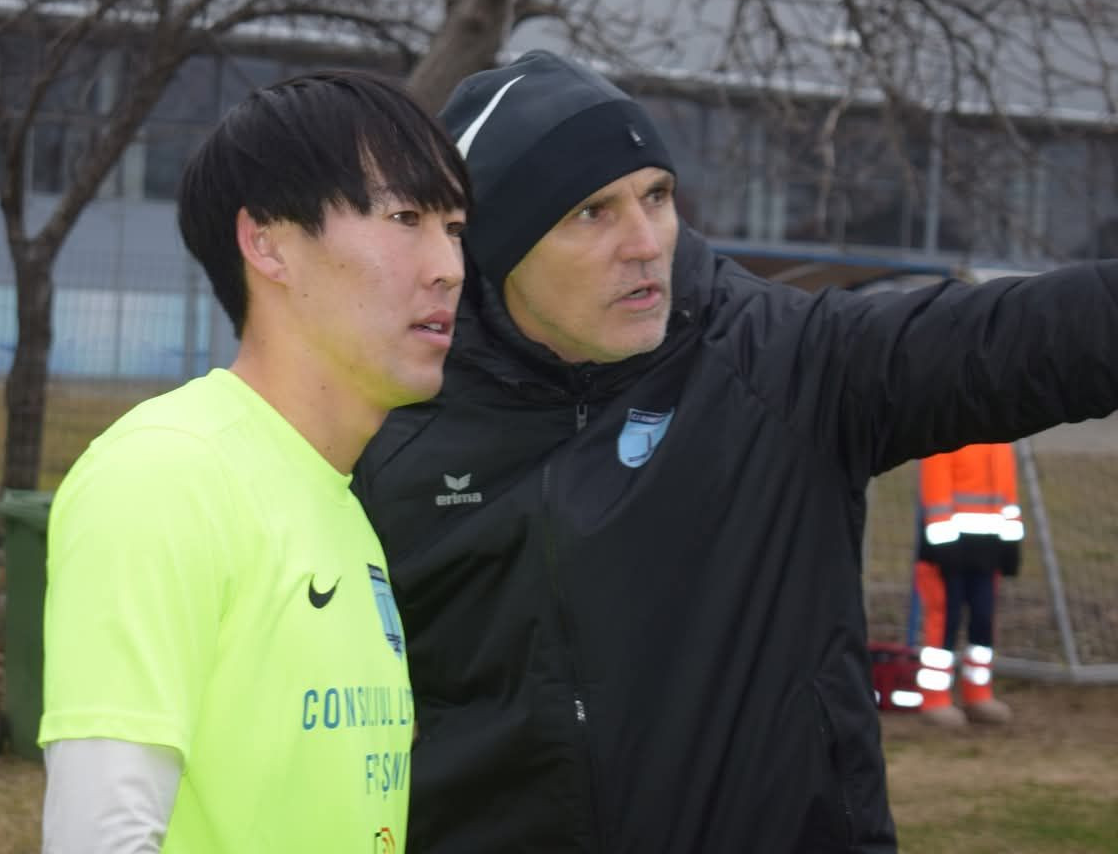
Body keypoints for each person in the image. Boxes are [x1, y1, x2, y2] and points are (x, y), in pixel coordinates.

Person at [352, 49, 1118, 853]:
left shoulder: (784, 367)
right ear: (497, 247)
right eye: (591, 213)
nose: (645, 242)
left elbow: (1026, 338)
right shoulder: (391, 422)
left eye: (656, 196)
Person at [39, 71, 471, 853]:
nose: (448, 266)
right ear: (268, 243)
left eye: (456, 228)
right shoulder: (166, 476)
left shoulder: (341, 506)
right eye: (406, 218)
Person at [914, 441, 1024, 727]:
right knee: (944, 623)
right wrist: (943, 545)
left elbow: (1007, 494)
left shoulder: (1001, 442)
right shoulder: (945, 435)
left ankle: (978, 694)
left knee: (983, 623)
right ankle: (935, 698)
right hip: (947, 551)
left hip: (988, 551)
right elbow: (935, 493)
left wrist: (1010, 543)